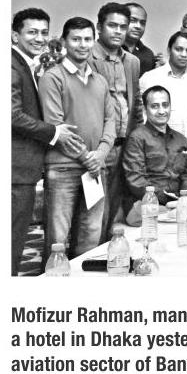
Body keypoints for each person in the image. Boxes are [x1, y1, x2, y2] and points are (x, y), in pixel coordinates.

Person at [11, 8, 85, 274]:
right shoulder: (11, 65)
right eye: (32, 32)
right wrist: (54, 132)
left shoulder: (26, 64)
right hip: (15, 171)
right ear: (15, 35)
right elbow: (11, 115)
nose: (40, 38)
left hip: (22, 171)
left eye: (44, 32)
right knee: (11, 244)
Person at [39, 17, 115, 260]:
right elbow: (57, 126)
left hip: (95, 169)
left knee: (91, 235)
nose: (82, 44)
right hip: (63, 169)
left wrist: (100, 155)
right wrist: (87, 157)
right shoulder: (52, 77)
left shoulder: (100, 81)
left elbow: (110, 122)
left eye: (87, 39)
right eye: (76, 39)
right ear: (64, 41)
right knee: (58, 240)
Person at [90, 2, 142, 237]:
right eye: (112, 25)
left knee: (113, 211)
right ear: (99, 27)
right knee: (92, 215)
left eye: (123, 26)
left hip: (124, 144)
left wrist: (137, 139)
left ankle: (105, 251)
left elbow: (135, 103)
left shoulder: (132, 61)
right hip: (98, 146)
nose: (118, 31)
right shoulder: (87, 57)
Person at [121, 86, 187, 225]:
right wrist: (165, 200)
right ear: (145, 109)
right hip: (148, 203)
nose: (161, 111)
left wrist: (183, 197)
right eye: (155, 106)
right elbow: (136, 179)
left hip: (177, 202)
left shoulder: (181, 139)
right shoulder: (137, 138)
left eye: (165, 105)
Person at [138, 31, 187, 139]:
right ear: (169, 50)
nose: (183, 54)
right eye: (178, 49)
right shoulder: (149, 78)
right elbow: (140, 115)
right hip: (156, 143)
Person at [122, 2, 162, 76]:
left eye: (142, 23)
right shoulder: (110, 49)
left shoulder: (148, 54)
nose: (138, 26)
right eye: (133, 20)